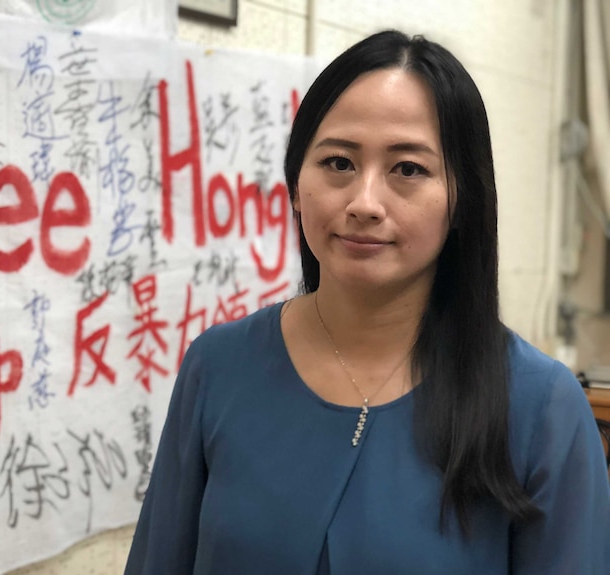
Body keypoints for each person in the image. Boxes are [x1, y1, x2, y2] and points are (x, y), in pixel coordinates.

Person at [124, 30, 610, 574]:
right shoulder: (217, 366)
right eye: (338, 163)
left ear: (462, 198)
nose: (364, 202)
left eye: (408, 169)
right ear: (295, 183)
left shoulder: (541, 407)